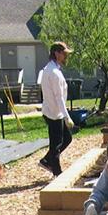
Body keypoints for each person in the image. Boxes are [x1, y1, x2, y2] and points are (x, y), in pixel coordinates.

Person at [38, 41, 74, 176]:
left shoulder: (50, 69)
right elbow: (58, 97)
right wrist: (67, 117)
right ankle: (57, 173)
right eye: (64, 54)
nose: (66, 56)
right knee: (56, 145)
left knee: (66, 139)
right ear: (56, 53)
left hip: (53, 111)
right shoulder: (53, 72)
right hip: (54, 113)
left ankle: (47, 161)